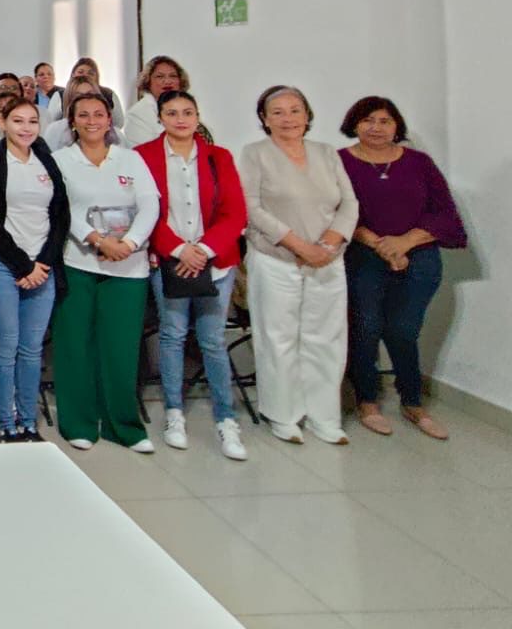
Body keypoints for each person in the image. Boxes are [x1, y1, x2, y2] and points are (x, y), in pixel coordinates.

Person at [339, 95, 466, 440]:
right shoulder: (339, 162)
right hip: (363, 256)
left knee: (403, 330)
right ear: (354, 124)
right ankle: (367, 401)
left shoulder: (419, 162)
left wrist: (405, 242)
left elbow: (445, 213)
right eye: (368, 120)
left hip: (419, 257)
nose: (376, 128)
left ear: (397, 126)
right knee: (365, 327)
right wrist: (381, 245)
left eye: (385, 121)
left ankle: (412, 402)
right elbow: (335, 211)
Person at [238, 85, 358, 445]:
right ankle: (283, 414)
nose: (287, 118)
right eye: (277, 112)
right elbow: (251, 207)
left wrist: (328, 244)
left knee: (326, 337)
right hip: (275, 258)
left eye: (295, 110)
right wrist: (299, 245)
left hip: (327, 259)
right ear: (264, 119)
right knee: (278, 337)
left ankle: (325, 416)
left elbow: (349, 203)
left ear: (307, 115)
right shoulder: (255, 154)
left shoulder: (326, 153)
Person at [135, 90, 250, 461]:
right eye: (171, 113)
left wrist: (202, 250)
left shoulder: (219, 157)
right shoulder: (144, 156)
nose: (180, 119)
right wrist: (179, 249)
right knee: (172, 335)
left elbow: (235, 212)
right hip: (170, 260)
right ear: (161, 118)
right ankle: (174, 412)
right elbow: (145, 211)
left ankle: (226, 417)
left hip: (215, 262)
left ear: (198, 116)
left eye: (187, 112)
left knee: (212, 339)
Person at [53, 90, 160, 452]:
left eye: (98, 114)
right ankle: (78, 422)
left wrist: (129, 243)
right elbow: (61, 208)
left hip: (128, 266)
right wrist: (98, 240)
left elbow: (149, 205)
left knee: (121, 348)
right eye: (83, 115)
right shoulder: (61, 160)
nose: (92, 121)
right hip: (79, 261)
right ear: (72, 121)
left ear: (109, 119)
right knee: (75, 344)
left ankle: (123, 425)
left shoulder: (130, 159)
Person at [0, 96, 69, 443]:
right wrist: (22, 264)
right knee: (6, 348)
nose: (26, 128)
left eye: (32, 121)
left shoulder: (45, 159)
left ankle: (28, 421)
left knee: (32, 350)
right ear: (1, 122)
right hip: (5, 265)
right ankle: (7, 423)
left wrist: (43, 261)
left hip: (42, 267)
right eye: (17, 121)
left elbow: (60, 215)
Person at [123, 56, 189, 147]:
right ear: (148, 82)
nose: (167, 81)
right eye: (160, 76)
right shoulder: (136, 115)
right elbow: (144, 151)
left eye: (173, 76)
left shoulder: (188, 109)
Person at [42, 75, 121, 151]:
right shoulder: (55, 130)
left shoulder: (115, 133)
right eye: (78, 96)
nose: (85, 100)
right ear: (69, 99)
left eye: (90, 94)